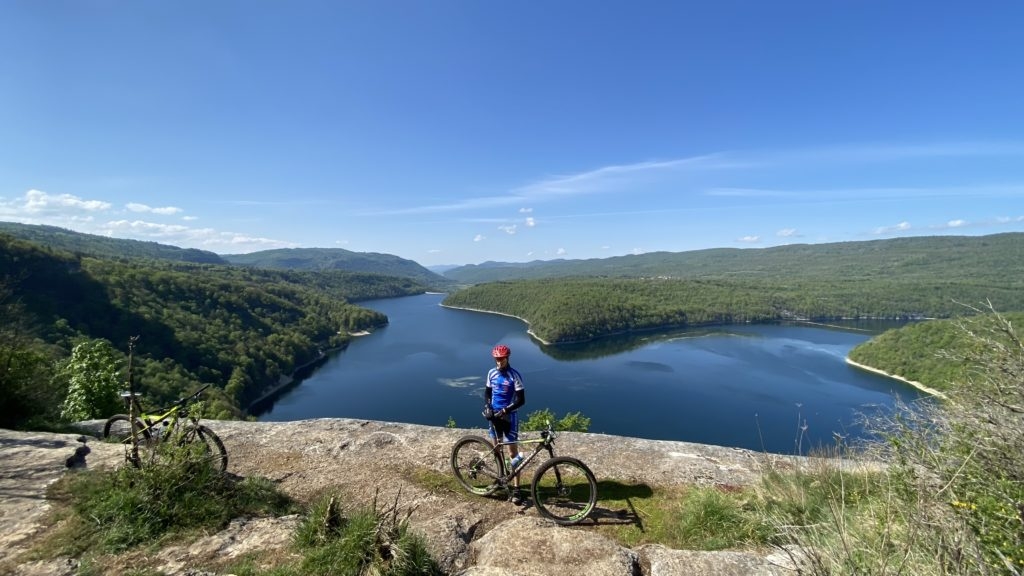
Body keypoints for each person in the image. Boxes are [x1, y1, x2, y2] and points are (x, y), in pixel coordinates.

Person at [485, 343, 526, 504]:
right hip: (494, 416)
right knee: (496, 450)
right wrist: (488, 406)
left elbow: (521, 400)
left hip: (509, 417)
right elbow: (487, 392)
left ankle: (517, 489)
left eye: (501, 359)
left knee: (512, 455)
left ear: (507, 358)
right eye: (496, 359)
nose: (498, 361)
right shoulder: (491, 373)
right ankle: (500, 478)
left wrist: (506, 410)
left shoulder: (514, 375)